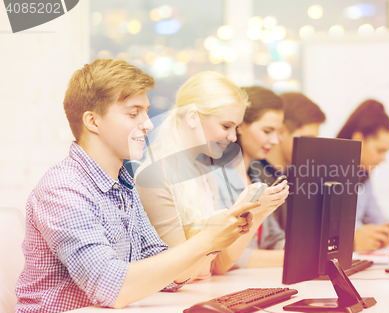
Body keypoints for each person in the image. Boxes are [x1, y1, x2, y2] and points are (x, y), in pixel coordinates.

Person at [7, 59, 258, 313]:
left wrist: (217, 236)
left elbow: (172, 274)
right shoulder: (63, 189)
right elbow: (111, 288)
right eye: (133, 113)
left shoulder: (123, 186)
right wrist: (207, 239)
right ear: (93, 121)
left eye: (146, 112)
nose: (148, 124)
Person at [135, 72, 288, 276]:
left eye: (235, 128)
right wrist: (234, 215)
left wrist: (255, 213)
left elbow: (217, 266)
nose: (233, 137)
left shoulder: (204, 174)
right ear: (192, 117)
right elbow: (180, 273)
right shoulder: (154, 176)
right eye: (226, 126)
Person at [209, 86, 289, 268]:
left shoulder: (258, 179)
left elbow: (274, 239)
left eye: (277, 132)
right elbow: (227, 256)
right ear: (241, 126)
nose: (275, 141)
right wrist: (295, 260)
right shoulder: (215, 179)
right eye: (267, 131)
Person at [251, 92, 326, 231]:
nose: (313, 146)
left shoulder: (300, 175)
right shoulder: (253, 176)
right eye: (308, 139)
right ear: (281, 132)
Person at [337, 99, 389, 251]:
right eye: (380, 150)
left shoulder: (363, 176)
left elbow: (377, 218)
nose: (383, 159)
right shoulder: (323, 175)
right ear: (358, 139)